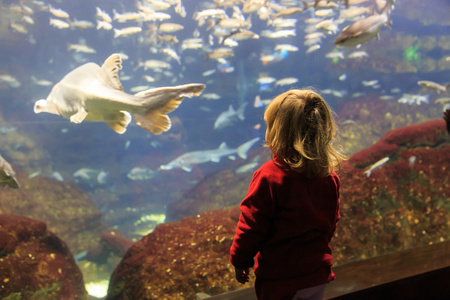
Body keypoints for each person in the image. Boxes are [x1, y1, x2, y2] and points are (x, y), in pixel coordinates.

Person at [230, 89, 346, 300]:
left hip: (281, 279)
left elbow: (251, 226)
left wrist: (240, 261)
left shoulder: (269, 177)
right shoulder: (329, 176)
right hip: (317, 273)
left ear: (277, 132)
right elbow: (331, 221)